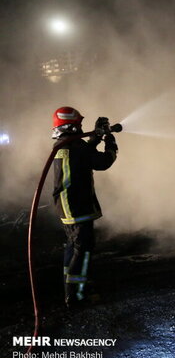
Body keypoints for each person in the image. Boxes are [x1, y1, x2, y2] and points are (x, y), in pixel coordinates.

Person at [51, 106, 118, 308]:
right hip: (77, 207)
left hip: (69, 208)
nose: (81, 126)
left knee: (74, 249)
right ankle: (76, 296)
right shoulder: (74, 147)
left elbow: (84, 154)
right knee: (83, 251)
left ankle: (71, 287)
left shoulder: (65, 145)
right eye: (78, 124)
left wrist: (96, 138)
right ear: (70, 126)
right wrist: (110, 141)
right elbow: (103, 162)